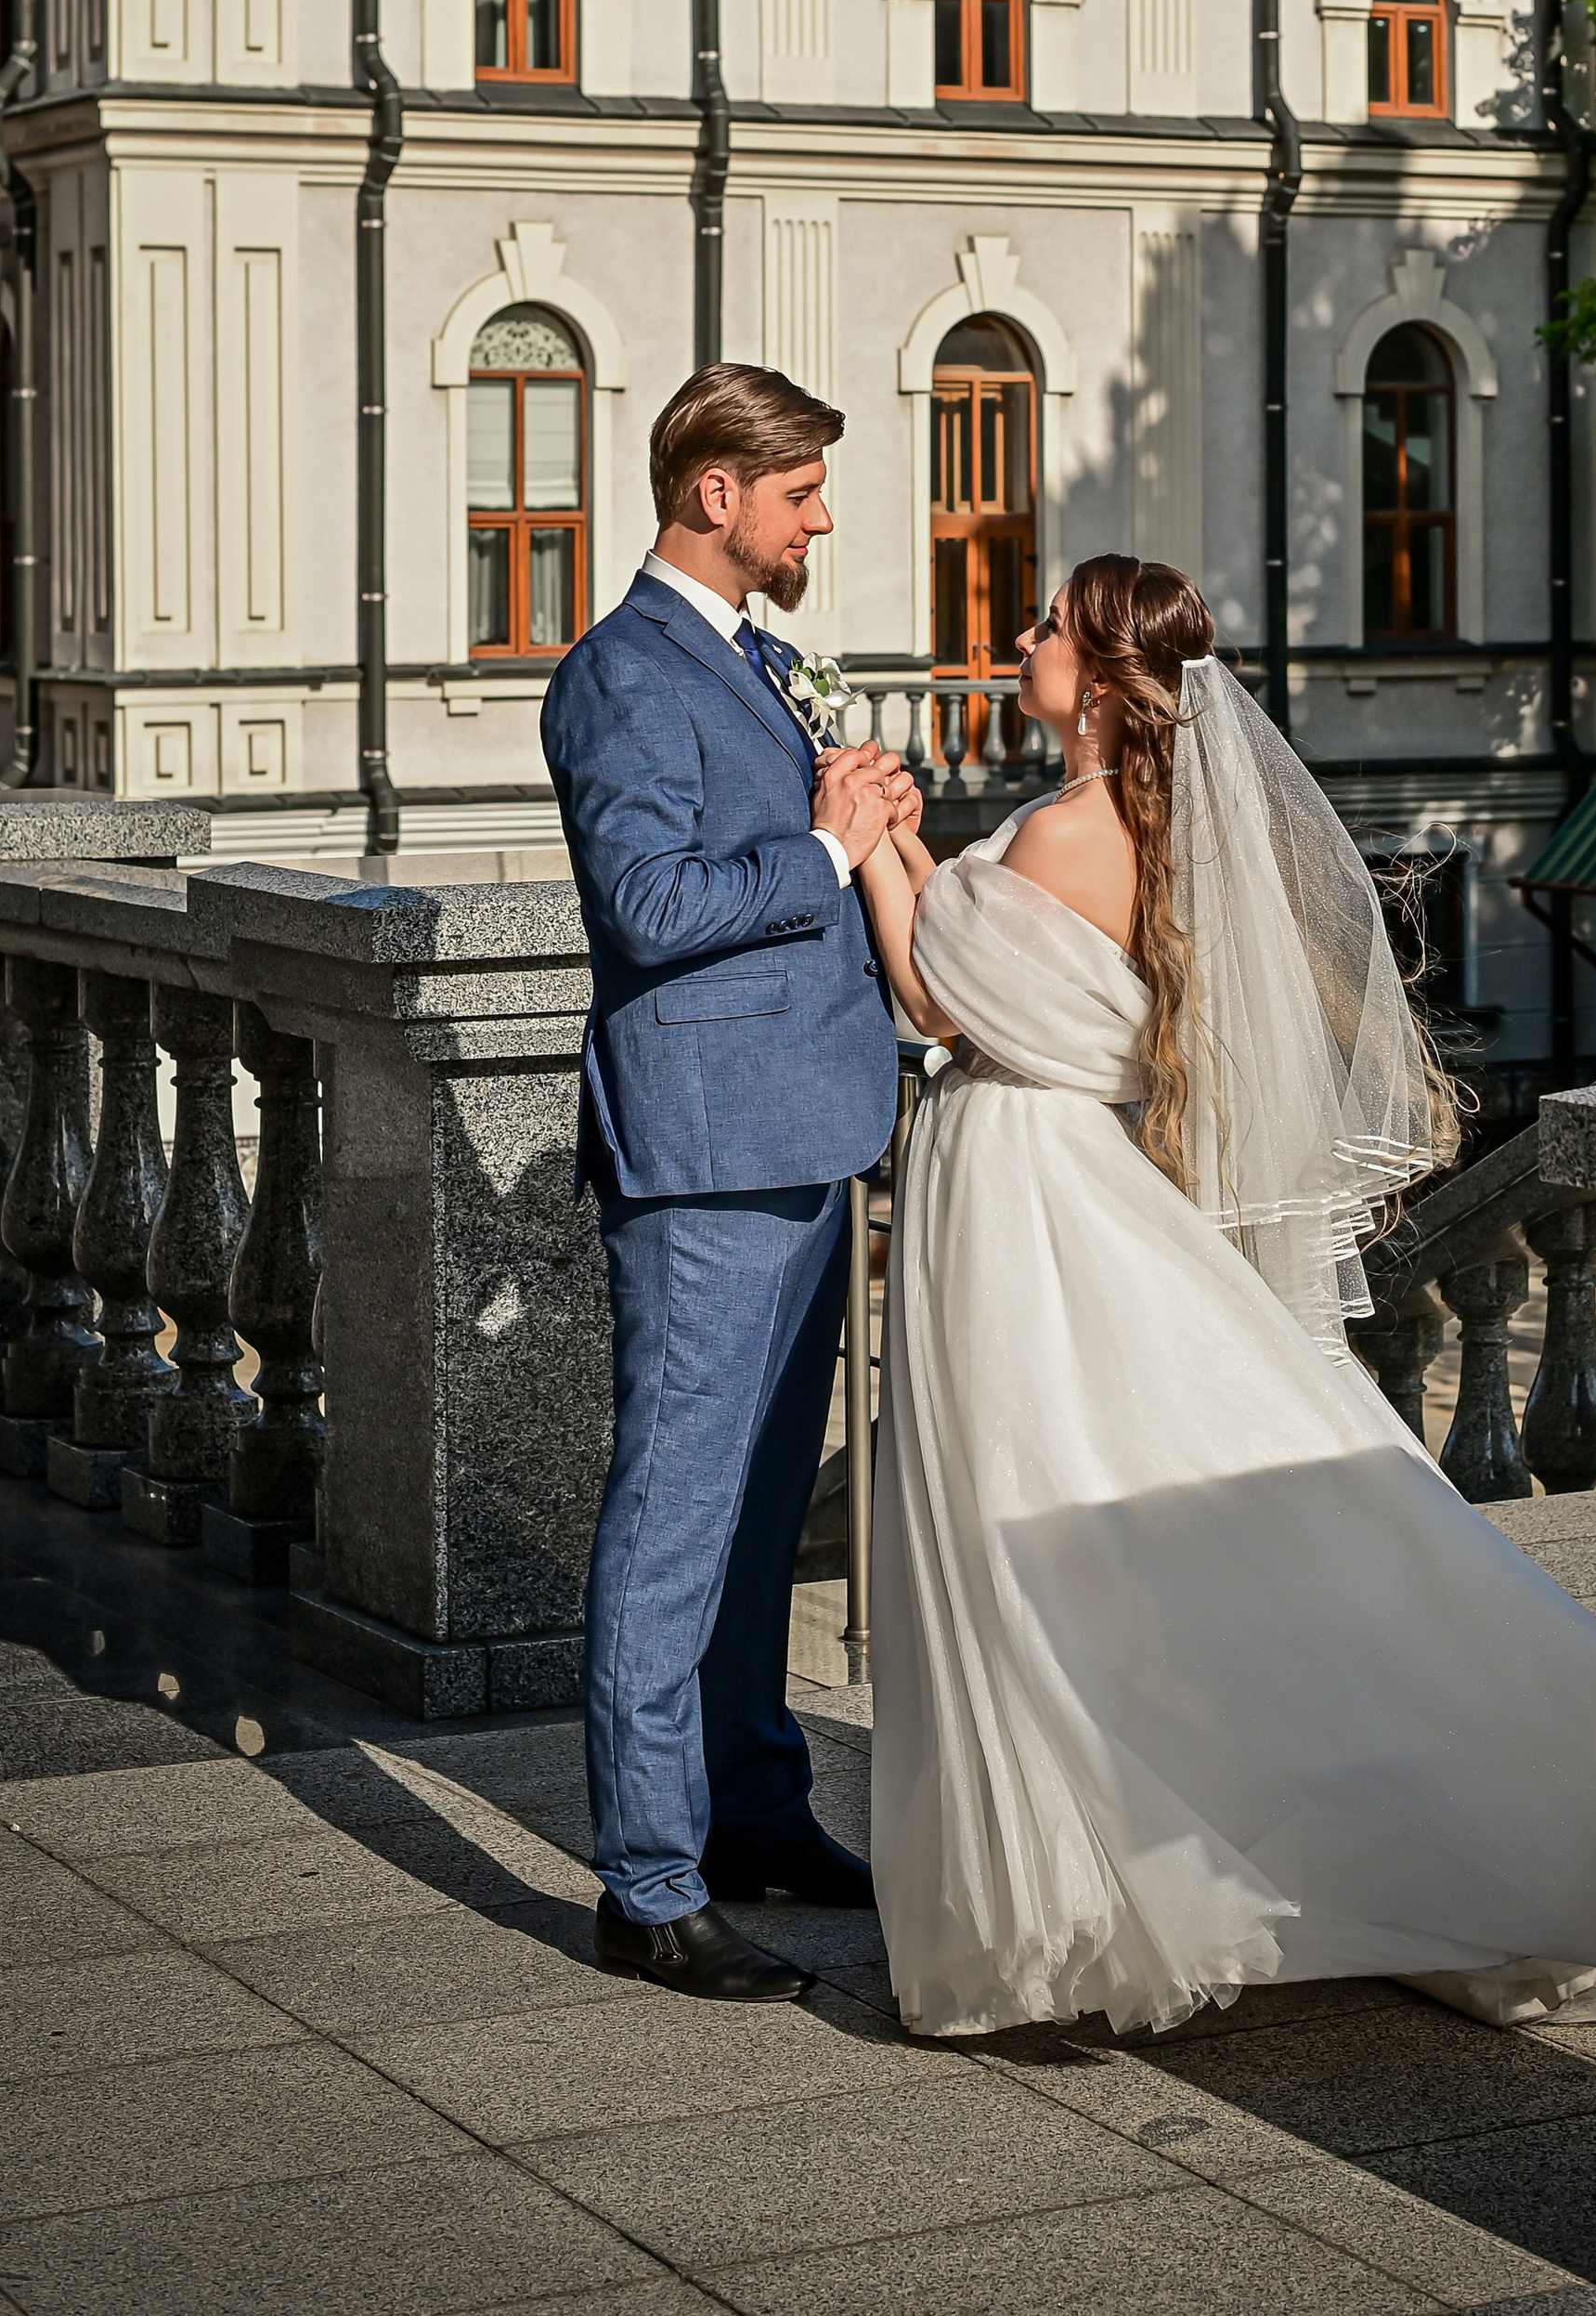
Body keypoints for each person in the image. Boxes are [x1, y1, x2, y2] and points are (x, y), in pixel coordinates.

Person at [855, 553, 1596, 2045]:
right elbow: (968, 981)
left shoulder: (1071, 834)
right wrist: (903, 846)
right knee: (1073, 1515)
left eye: (1042, 627)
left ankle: (1069, 1880)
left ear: (1096, 677)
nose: (1018, 640)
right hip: (1044, 1187)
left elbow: (937, 1002)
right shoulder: (1127, 830)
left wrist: (866, 848)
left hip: (1026, 1201)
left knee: (1021, 1513)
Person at [540, 364, 906, 2003]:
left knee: (763, 1516)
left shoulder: (754, 660)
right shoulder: (621, 675)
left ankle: (756, 1809)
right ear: (716, 494)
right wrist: (826, 851)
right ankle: (649, 1878)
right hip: (701, 1163)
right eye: (801, 490)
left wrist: (867, 829)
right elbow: (650, 910)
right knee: (675, 1522)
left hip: (806, 1140)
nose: (821, 515)